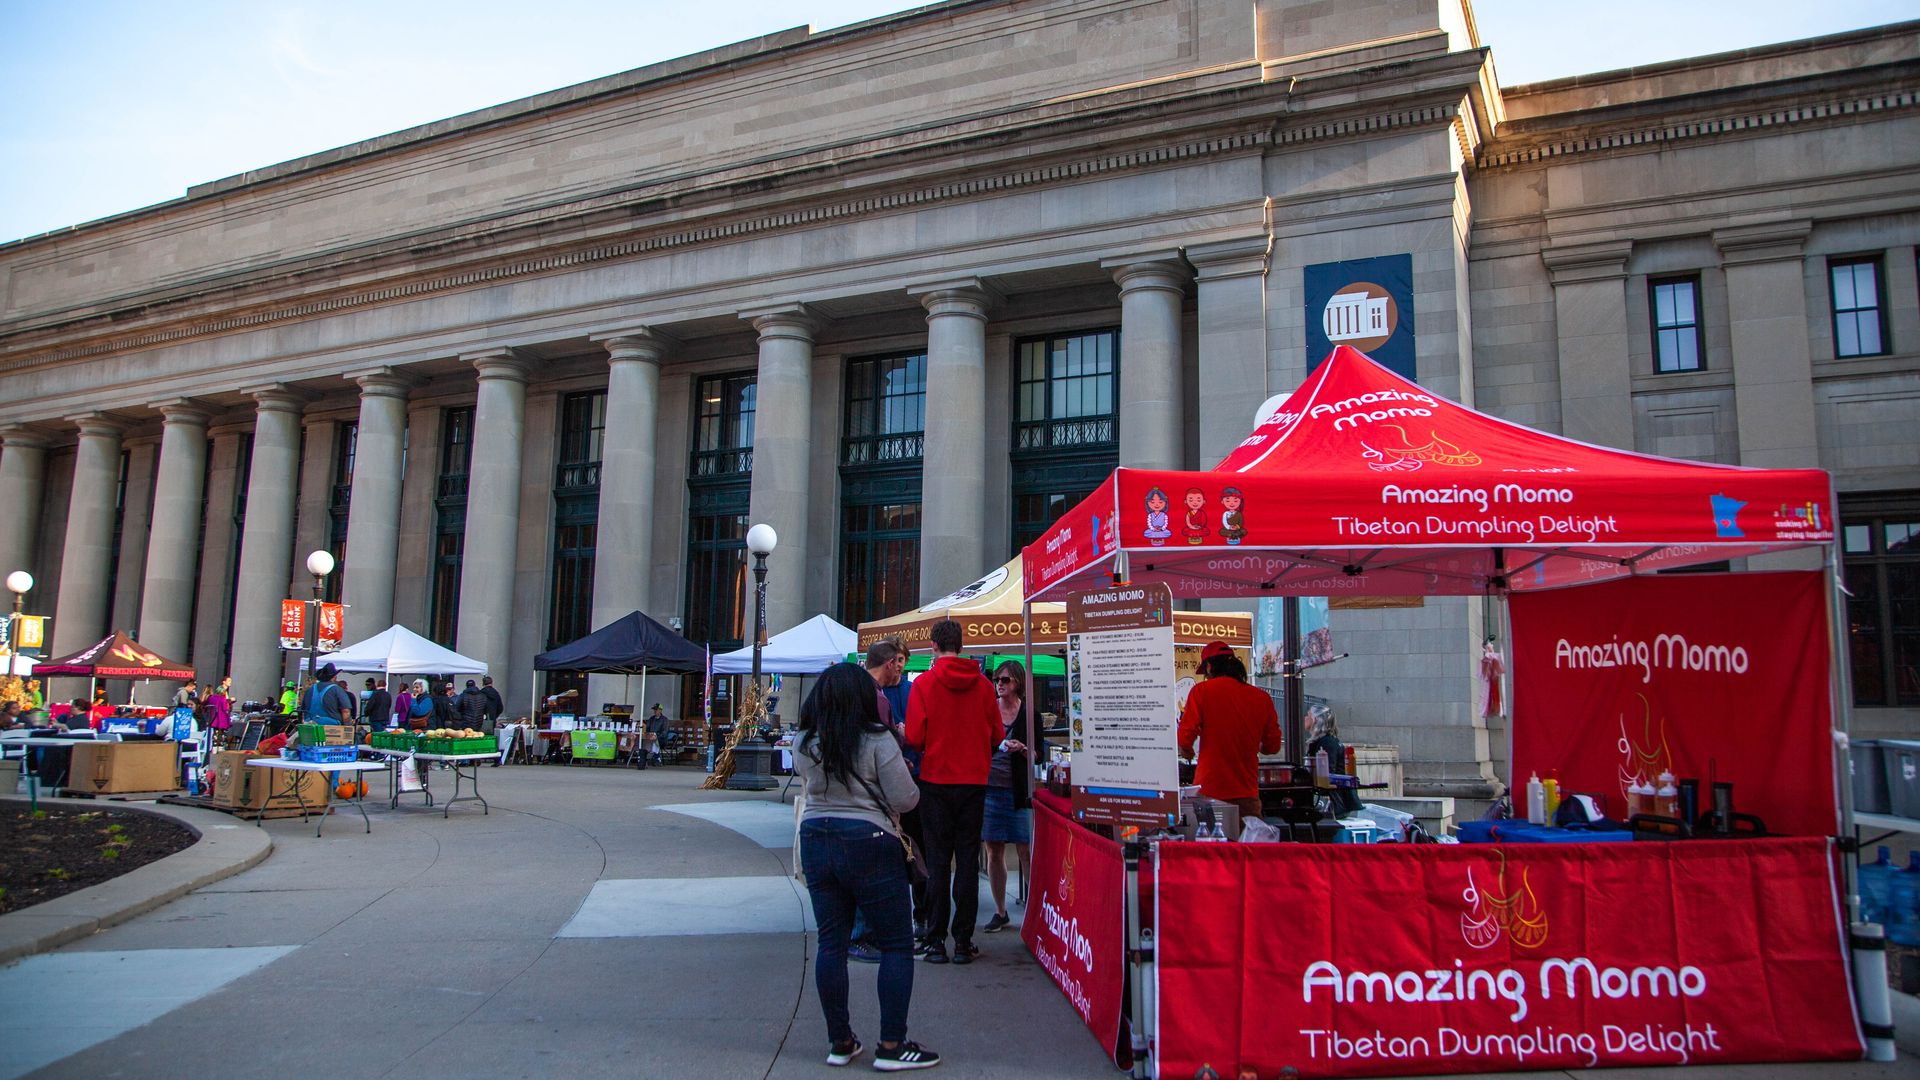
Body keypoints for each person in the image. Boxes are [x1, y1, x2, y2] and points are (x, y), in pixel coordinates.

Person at [793, 663, 940, 1072]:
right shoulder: (878, 739)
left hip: (816, 836)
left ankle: (839, 1040)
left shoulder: (805, 740)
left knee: (831, 943)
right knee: (895, 943)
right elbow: (906, 799)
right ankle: (892, 1043)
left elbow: (806, 779)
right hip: (870, 840)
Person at [903, 618, 1000, 965]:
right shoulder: (985, 687)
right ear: (961, 646)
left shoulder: (925, 685)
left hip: (936, 780)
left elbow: (914, 737)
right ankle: (963, 940)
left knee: (938, 861)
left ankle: (935, 940)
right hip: (974, 781)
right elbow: (997, 735)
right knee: (969, 861)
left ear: (933, 646)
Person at [1176, 651, 1281, 824]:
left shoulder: (1201, 691)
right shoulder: (1262, 698)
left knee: (1211, 845)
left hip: (1210, 789)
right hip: (1247, 792)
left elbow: (1184, 738)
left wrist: (1187, 752)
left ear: (1209, 666)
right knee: (1247, 845)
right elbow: (1273, 747)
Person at [982, 660, 1035, 934]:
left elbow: (1038, 755)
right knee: (994, 848)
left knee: (1025, 848)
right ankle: (1000, 910)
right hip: (991, 787)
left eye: (1005, 680)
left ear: (1017, 682)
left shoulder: (1028, 714)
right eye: (997, 680)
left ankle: (1034, 909)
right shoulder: (988, 709)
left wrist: (1023, 748)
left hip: (1018, 789)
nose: (1000, 684)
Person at [204, 676, 234, 746]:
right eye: (229, 680)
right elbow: (225, 708)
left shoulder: (211, 697)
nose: (230, 682)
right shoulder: (222, 698)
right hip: (221, 718)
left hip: (212, 718)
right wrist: (229, 702)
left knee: (213, 733)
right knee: (220, 734)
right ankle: (218, 744)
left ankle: (212, 744)